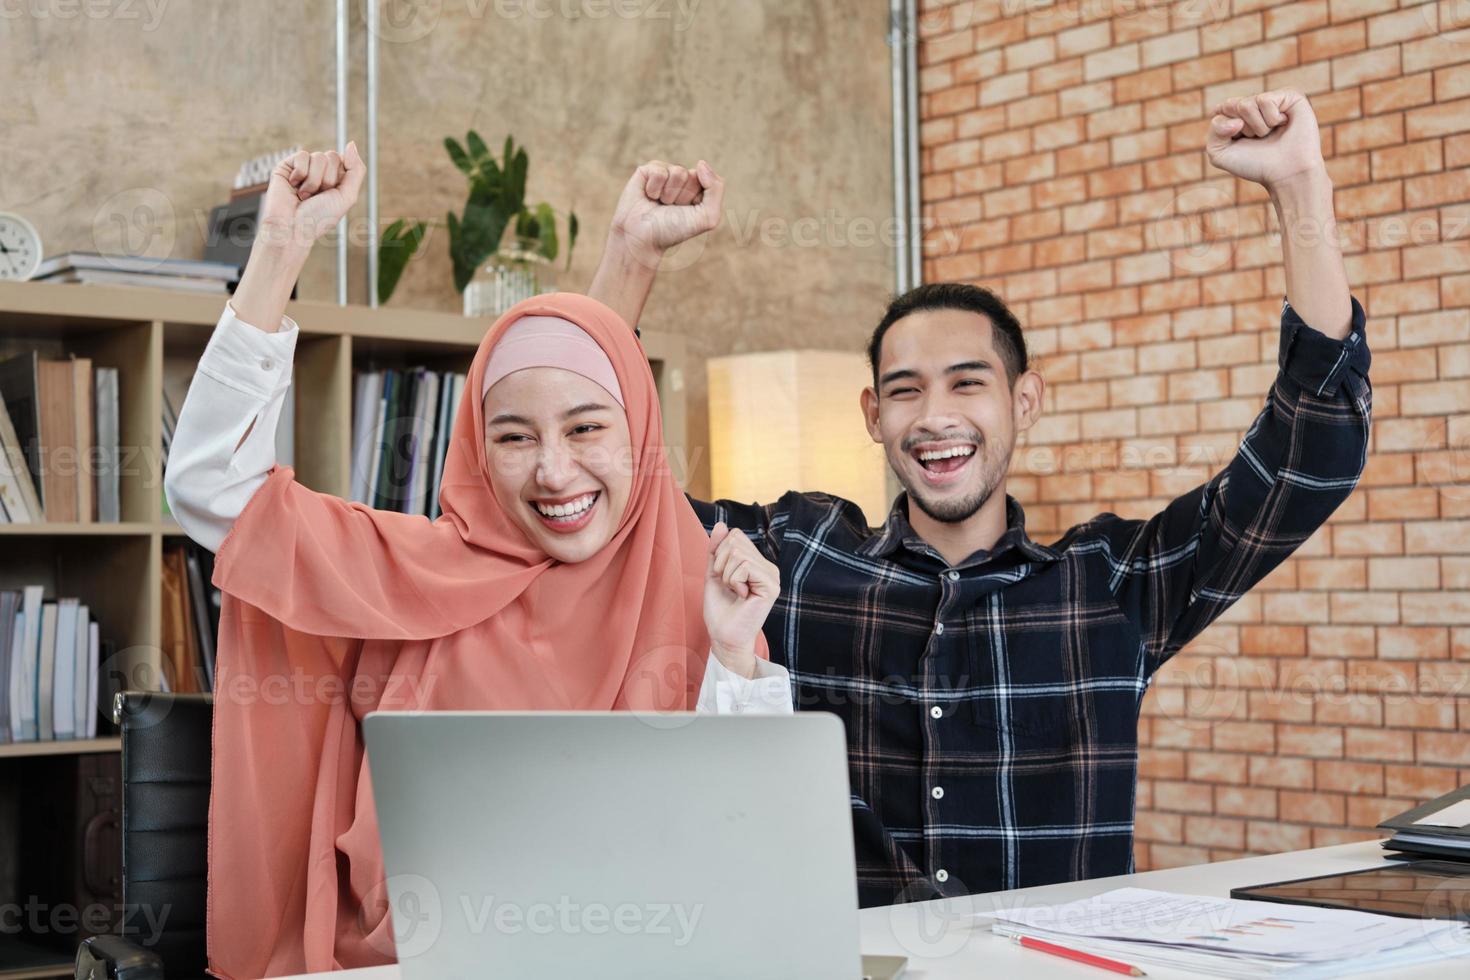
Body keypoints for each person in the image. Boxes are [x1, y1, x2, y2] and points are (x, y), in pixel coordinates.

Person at [586, 90, 1374, 907]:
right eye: (905, 391)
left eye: (968, 383)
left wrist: (1299, 187)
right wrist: (632, 254)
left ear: (1023, 402)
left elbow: (1308, 455)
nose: (935, 418)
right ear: (873, 415)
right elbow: (611, 498)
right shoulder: (795, 558)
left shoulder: (1111, 585)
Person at [163, 142, 791, 978]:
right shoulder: (407, 573)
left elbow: (751, 857)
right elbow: (212, 485)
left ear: (638, 434)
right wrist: (280, 244)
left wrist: (736, 658)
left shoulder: (695, 597)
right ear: (474, 449)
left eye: (587, 431)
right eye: (513, 437)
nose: (552, 470)